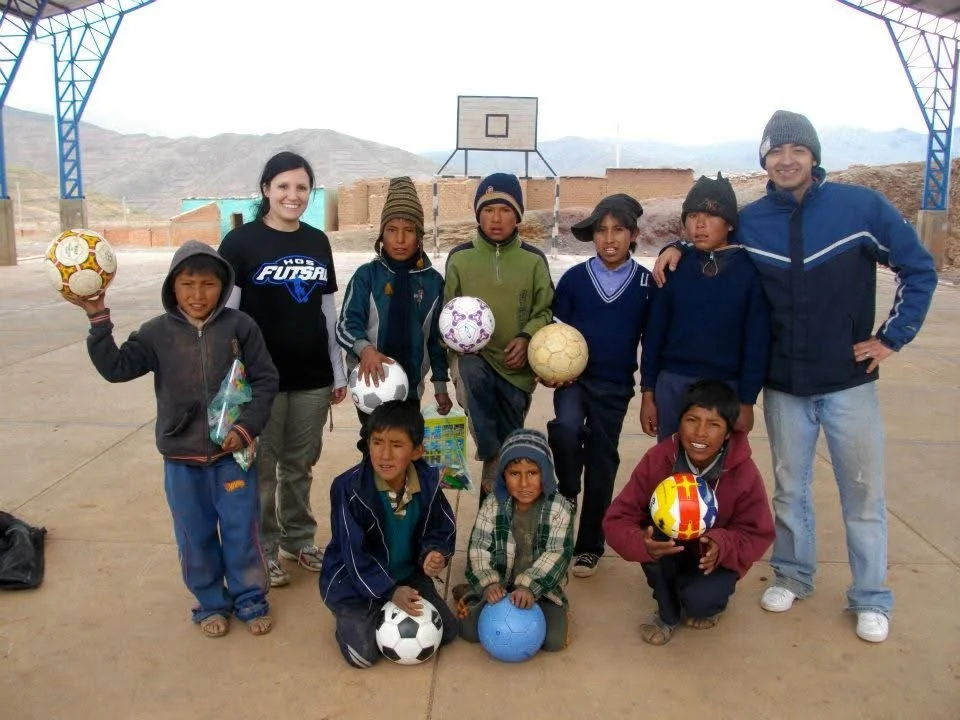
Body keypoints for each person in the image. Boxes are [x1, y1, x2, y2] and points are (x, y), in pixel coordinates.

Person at [653, 110, 938, 643]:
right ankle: (792, 574)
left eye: (796, 150)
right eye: (775, 152)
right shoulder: (755, 220)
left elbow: (917, 268)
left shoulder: (860, 208)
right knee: (790, 489)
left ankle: (871, 596)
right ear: (764, 160)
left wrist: (892, 337)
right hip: (784, 385)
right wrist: (674, 247)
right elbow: (708, 241)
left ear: (814, 156)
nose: (786, 160)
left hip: (848, 381)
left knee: (862, 493)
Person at [74, 241, 279, 638]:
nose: (197, 295)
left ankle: (250, 598)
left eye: (208, 284)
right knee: (194, 536)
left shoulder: (241, 327)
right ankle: (210, 603)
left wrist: (245, 428)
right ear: (172, 286)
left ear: (223, 286)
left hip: (232, 457)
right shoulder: (155, 333)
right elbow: (116, 368)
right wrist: (98, 319)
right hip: (181, 462)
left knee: (242, 532)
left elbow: (267, 380)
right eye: (187, 284)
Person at [219, 151, 347, 588]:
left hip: (312, 376)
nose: (293, 196)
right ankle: (265, 548)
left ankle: (299, 538)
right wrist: (230, 379)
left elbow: (328, 313)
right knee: (261, 470)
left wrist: (338, 371)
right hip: (260, 382)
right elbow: (227, 316)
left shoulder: (317, 242)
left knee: (299, 465)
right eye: (283, 187)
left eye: (301, 188)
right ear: (266, 190)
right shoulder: (240, 244)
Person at [604, 380, 775, 646]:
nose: (700, 433)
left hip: (712, 560)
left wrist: (723, 544)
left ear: (728, 432)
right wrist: (643, 544)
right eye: (692, 420)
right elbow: (617, 518)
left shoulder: (743, 471)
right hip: (670, 550)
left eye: (714, 424)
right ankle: (667, 615)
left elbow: (758, 532)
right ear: (679, 421)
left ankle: (706, 600)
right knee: (655, 538)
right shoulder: (659, 459)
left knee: (699, 603)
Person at [546, 194, 654, 578]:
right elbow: (553, 337)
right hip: (574, 381)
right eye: (601, 230)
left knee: (603, 463)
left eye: (618, 230)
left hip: (615, 387)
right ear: (592, 236)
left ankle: (589, 545)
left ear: (633, 234)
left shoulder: (646, 283)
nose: (609, 239)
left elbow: (651, 344)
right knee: (567, 430)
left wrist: (648, 394)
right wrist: (551, 370)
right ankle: (568, 483)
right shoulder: (575, 280)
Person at [319, 401, 458, 668]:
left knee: (448, 632)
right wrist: (389, 591)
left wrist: (434, 552)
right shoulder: (349, 489)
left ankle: (393, 599)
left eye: (396, 445)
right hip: (354, 581)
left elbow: (442, 526)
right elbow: (352, 553)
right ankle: (349, 614)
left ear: (417, 451)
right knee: (363, 655)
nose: (384, 455)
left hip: (406, 573)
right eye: (377, 442)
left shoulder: (428, 481)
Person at [444, 172, 554, 498]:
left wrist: (526, 336)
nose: (496, 218)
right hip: (474, 361)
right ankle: (489, 449)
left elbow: (545, 310)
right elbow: (446, 314)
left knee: (507, 461)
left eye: (505, 209)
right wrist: (457, 347)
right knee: (471, 373)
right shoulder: (460, 258)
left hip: (517, 369)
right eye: (488, 209)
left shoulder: (533, 260)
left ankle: (492, 534)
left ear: (517, 215)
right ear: (478, 213)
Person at [639, 173, 770, 441]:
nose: (699, 224)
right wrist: (648, 394)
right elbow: (653, 334)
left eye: (710, 216)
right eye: (692, 215)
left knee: (722, 474)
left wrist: (747, 401)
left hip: (726, 389)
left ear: (730, 223)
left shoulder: (749, 273)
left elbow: (757, 342)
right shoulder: (672, 268)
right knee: (673, 473)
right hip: (673, 384)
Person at [336, 176, 452, 448]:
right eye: (391, 230)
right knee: (374, 448)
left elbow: (436, 340)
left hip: (409, 388)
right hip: (370, 385)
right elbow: (345, 325)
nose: (400, 239)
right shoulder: (367, 276)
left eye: (409, 230)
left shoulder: (433, 282)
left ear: (420, 235)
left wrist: (440, 386)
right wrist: (365, 350)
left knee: (405, 451)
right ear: (381, 235)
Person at [456, 428, 573, 652]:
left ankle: (557, 612)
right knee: (470, 631)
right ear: (503, 476)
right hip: (499, 585)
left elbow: (557, 554)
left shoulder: (559, 508)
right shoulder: (493, 503)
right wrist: (489, 583)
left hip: (540, 589)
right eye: (514, 474)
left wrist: (529, 588)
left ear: (546, 474)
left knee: (553, 642)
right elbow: (479, 547)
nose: (524, 483)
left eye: (532, 473)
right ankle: (472, 591)